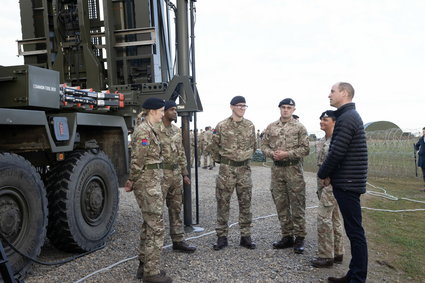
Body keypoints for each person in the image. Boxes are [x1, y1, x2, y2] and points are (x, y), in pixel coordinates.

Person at [318, 82, 368, 283]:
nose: (329, 95)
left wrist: (323, 173)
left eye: (332, 91)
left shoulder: (347, 118)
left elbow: (337, 151)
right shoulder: (347, 116)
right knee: (352, 230)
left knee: (355, 232)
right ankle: (353, 274)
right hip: (346, 180)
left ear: (344, 93)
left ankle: (357, 278)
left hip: (348, 182)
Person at [124, 97, 172, 283]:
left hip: (151, 181)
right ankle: (151, 274)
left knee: (149, 224)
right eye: (161, 110)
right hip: (147, 183)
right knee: (156, 226)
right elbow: (138, 160)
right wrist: (131, 181)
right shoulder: (144, 131)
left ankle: (144, 265)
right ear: (152, 111)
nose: (163, 113)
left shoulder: (149, 129)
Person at [261, 98, 310, 254]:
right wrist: (272, 154)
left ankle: (300, 237)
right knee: (281, 204)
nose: (286, 110)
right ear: (279, 109)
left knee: (297, 204)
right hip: (277, 171)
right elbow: (263, 145)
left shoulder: (299, 128)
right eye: (283, 107)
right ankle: (287, 235)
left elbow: (305, 149)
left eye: (289, 107)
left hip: (293, 169)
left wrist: (287, 154)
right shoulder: (271, 127)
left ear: (293, 110)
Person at [209, 95, 257, 250]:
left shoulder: (250, 126)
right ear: (231, 107)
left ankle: (246, 236)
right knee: (223, 203)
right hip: (227, 170)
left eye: (244, 106)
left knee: (246, 203)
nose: (242, 108)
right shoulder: (222, 125)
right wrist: (224, 161)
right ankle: (222, 237)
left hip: (244, 169)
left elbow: (254, 146)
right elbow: (214, 147)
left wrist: (243, 158)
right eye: (239, 105)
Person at [156, 100, 197, 254]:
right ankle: (155, 247)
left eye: (175, 109)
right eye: (172, 110)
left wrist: (184, 173)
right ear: (164, 111)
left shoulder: (175, 130)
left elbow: (180, 154)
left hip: (175, 175)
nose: (175, 112)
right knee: (156, 212)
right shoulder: (154, 129)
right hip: (160, 175)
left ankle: (178, 241)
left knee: (176, 209)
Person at [311, 110, 344, 268]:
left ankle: (325, 256)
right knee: (334, 217)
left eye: (325, 119)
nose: (321, 122)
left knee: (323, 217)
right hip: (322, 183)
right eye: (321, 119)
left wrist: (331, 176)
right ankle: (338, 252)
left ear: (334, 122)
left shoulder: (338, 140)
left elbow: (341, 161)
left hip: (332, 184)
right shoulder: (321, 140)